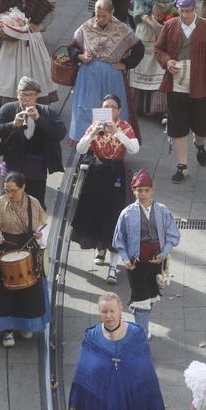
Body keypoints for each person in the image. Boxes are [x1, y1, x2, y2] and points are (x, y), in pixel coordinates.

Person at [155, 0, 206, 183]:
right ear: (178, 9)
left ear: (195, 9)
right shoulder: (170, 26)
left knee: (203, 127)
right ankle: (182, 166)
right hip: (176, 85)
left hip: (200, 84)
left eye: (188, 10)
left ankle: (199, 144)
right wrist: (167, 61)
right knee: (178, 126)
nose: (185, 14)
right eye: (182, 10)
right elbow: (159, 49)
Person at [70, 94, 138, 283]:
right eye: (106, 106)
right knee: (98, 213)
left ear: (119, 111)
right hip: (97, 173)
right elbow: (81, 149)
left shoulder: (125, 127)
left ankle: (114, 267)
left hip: (117, 173)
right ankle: (100, 250)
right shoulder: (94, 127)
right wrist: (92, 133)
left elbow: (134, 148)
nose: (109, 110)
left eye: (113, 107)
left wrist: (117, 132)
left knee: (115, 217)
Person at [0, 172, 49, 348]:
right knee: (3, 293)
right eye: (7, 190)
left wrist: (40, 234)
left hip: (28, 250)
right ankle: (7, 330)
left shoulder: (34, 203)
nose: (9, 194)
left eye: (13, 190)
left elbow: (42, 225)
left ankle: (26, 324)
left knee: (29, 292)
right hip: (4, 250)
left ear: (23, 187)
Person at [111, 169, 178, 334]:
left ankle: (141, 316)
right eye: (139, 190)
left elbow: (173, 235)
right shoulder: (126, 214)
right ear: (133, 191)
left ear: (152, 190)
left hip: (156, 263)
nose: (142, 194)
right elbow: (119, 240)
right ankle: (141, 331)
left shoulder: (163, 211)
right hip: (136, 264)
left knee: (151, 296)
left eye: (146, 190)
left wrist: (164, 253)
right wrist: (125, 259)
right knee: (141, 299)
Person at [69, 0, 143, 142]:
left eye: (104, 15)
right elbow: (72, 47)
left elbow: (139, 49)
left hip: (112, 75)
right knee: (86, 108)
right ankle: (87, 146)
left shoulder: (122, 29)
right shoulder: (87, 26)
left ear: (112, 13)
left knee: (110, 111)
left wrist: (126, 64)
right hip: (88, 75)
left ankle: (112, 146)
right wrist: (80, 56)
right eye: (98, 15)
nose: (100, 19)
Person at [0, 76, 67, 209]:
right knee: (8, 205)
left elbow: (60, 133)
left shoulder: (46, 111)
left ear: (37, 96)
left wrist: (39, 119)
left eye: (30, 95)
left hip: (36, 170)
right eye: (23, 95)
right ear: (17, 95)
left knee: (35, 206)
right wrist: (12, 124)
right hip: (12, 167)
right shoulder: (8, 109)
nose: (26, 99)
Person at [129, 0, 182, 122]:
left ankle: (162, 109)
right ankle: (138, 106)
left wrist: (169, 18)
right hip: (147, 30)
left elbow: (181, 7)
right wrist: (152, 24)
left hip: (166, 30)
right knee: (143, 65)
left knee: (162, 67)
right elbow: (138, 10)